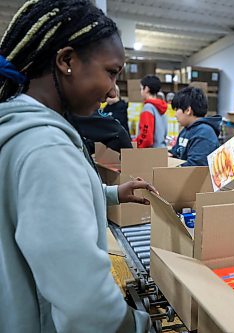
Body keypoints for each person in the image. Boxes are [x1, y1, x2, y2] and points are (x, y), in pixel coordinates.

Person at [0, 1, 153, 332]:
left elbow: (30, 204)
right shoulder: (46, 147)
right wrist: (137, 326)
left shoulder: (17, 128)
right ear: (66, 60)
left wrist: (111, 193)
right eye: (111, 72)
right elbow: (86, 303)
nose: (113, 89)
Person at [170, 86, 222, 166]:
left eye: (177, 109)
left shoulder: (204, 134)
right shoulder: (186, 130)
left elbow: (195, 169)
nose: (175, 115)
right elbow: (175, 152)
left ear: (188, 110)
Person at [136, 75, 168, 148]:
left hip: (150, 153)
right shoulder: (161, 107)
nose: (141, 92)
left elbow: (146, 137)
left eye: (141, 89)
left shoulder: (148, 108)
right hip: (161, 150)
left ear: (146, 89)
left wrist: (137, 146)